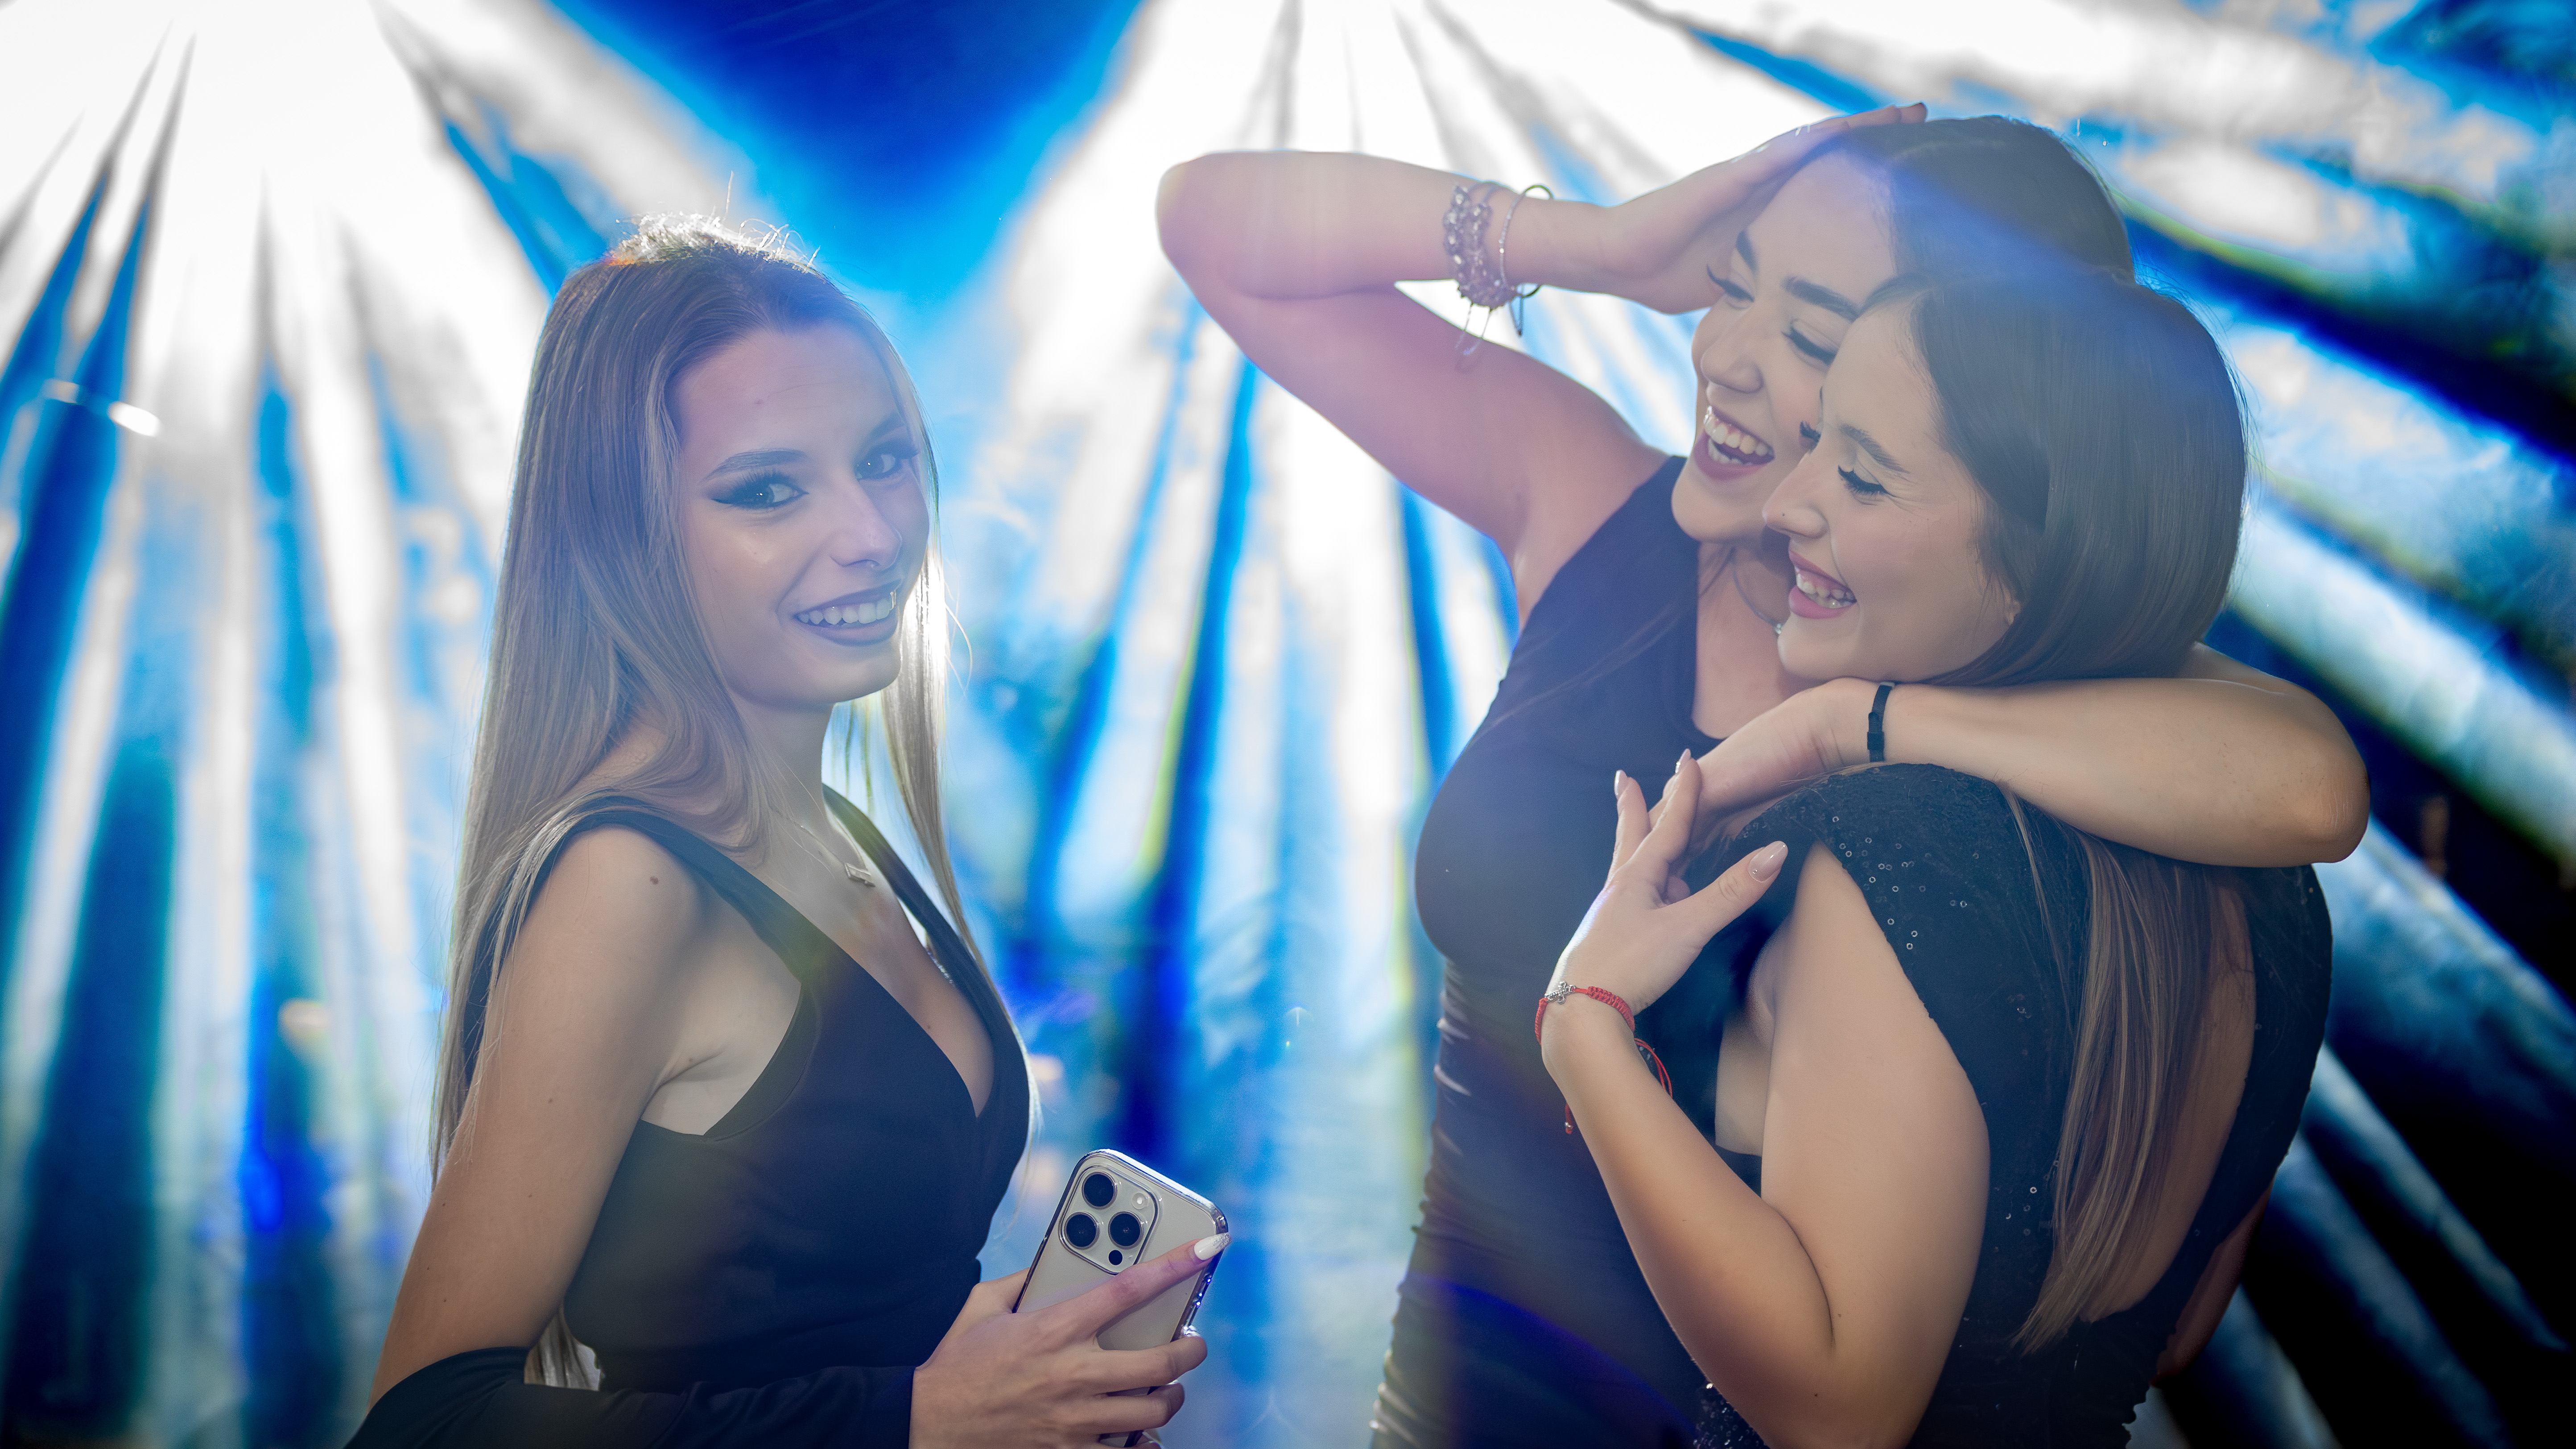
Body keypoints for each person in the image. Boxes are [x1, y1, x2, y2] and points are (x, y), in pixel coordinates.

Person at [1158, 112, 2365, 1445]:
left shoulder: (2064, 725)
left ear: (1989, 407)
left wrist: (1860, 725)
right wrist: (1598, 246)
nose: (1721, 354)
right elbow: (1212, 224)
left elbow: (2314, 791)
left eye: (1812, 335)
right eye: (1732, 286)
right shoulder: (1597, 511)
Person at [349, 219, 1221, 1449]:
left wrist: (990, 1365)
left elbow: (815, 1317)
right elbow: (423, 1425)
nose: (871, 532)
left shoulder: (832, 827)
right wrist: (916, 1415)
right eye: (767, 489)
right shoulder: (631, 881)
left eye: (885, 460)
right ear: (625, 536)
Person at [1543, 265, 2329, 1448]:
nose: (1790, 503)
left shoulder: (1894, 854)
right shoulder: (2276, 897)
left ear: (2040, 556)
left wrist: (1586, 1028)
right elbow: (2171, 1333)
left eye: (1862, 476)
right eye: (1819, 443)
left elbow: (1843, 1413)